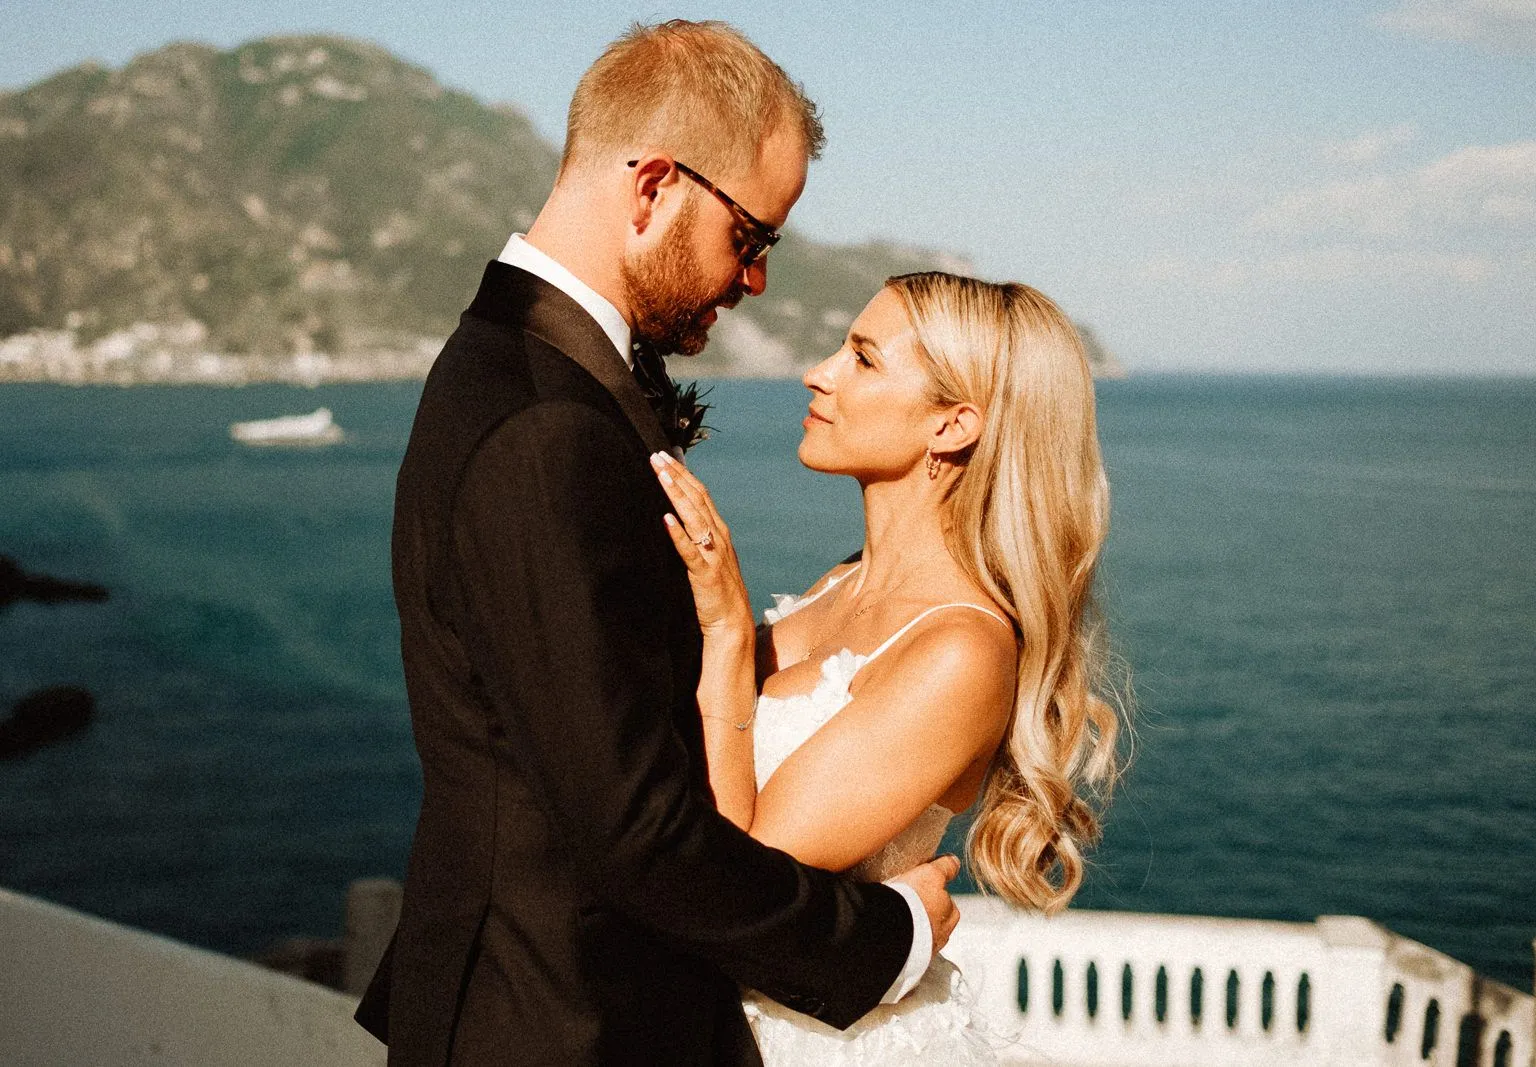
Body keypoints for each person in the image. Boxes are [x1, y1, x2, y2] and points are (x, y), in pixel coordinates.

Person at [353, 20, 962, 1067]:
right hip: (566, 1024)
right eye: (752, 237)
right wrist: (889, 938)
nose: (756, 280)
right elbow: (637, 832)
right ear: (654, 189)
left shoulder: (515, 369)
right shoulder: (546, 426)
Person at [650, 271, 1122, 1063]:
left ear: (953, 425)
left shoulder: (961, 651)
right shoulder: (840, 580)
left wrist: (731, 634)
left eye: (863, 358)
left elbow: (742, 878)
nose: (819, 372)